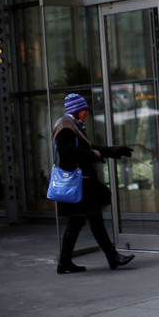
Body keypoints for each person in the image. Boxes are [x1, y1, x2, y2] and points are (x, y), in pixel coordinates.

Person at [52, 93, 135, 274]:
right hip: (78, 185)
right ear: (77, 110)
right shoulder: (66, 128)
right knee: (93, 220)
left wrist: (112, 151)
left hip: (83, 184)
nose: (87, 113)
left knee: (79, 223)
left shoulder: (75, 126)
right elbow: (67, 152)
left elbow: (87, 148)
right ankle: (112, 257)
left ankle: (65, 262)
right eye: (84, 110)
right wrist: (93, 154)